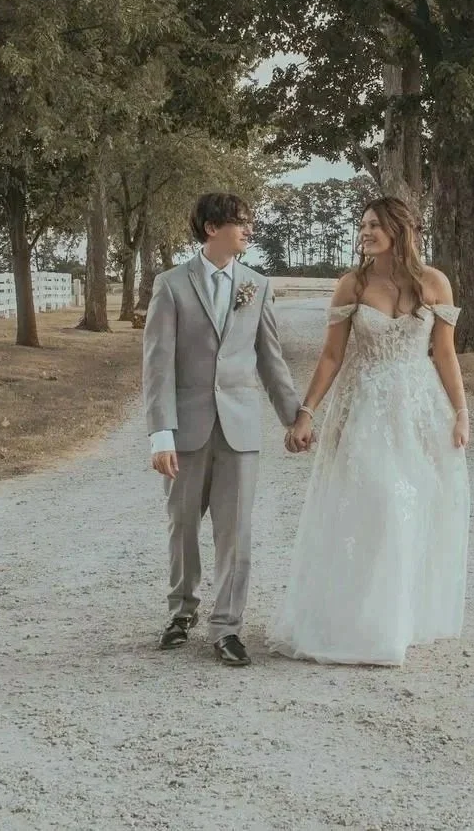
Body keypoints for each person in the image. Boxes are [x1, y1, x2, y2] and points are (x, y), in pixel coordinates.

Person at [271, 196, 472, 666]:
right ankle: (361, 623)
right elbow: (331, 356)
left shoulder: (435, 283)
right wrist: (307, 411)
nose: (365, 232)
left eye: (375, 225)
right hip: (363, 409)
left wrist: (461, 412)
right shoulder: (353, 285)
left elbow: (445, 355)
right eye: (362, 225)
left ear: (400, 229)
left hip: (418, 411)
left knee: (413, 508)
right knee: (380, 503)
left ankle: (395, 623)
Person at [141, 192, 302, 667]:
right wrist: (161, 434)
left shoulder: (257, 285)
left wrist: (295, 416)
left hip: (240, 429)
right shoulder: (171, 285)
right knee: (183, 524)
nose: (249, 230)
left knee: (236, 531)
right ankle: (181, 611)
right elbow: (157, 365)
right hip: (186, 429)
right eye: (240, 222)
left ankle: (227, 627)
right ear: (212, 228)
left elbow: (270, 359)